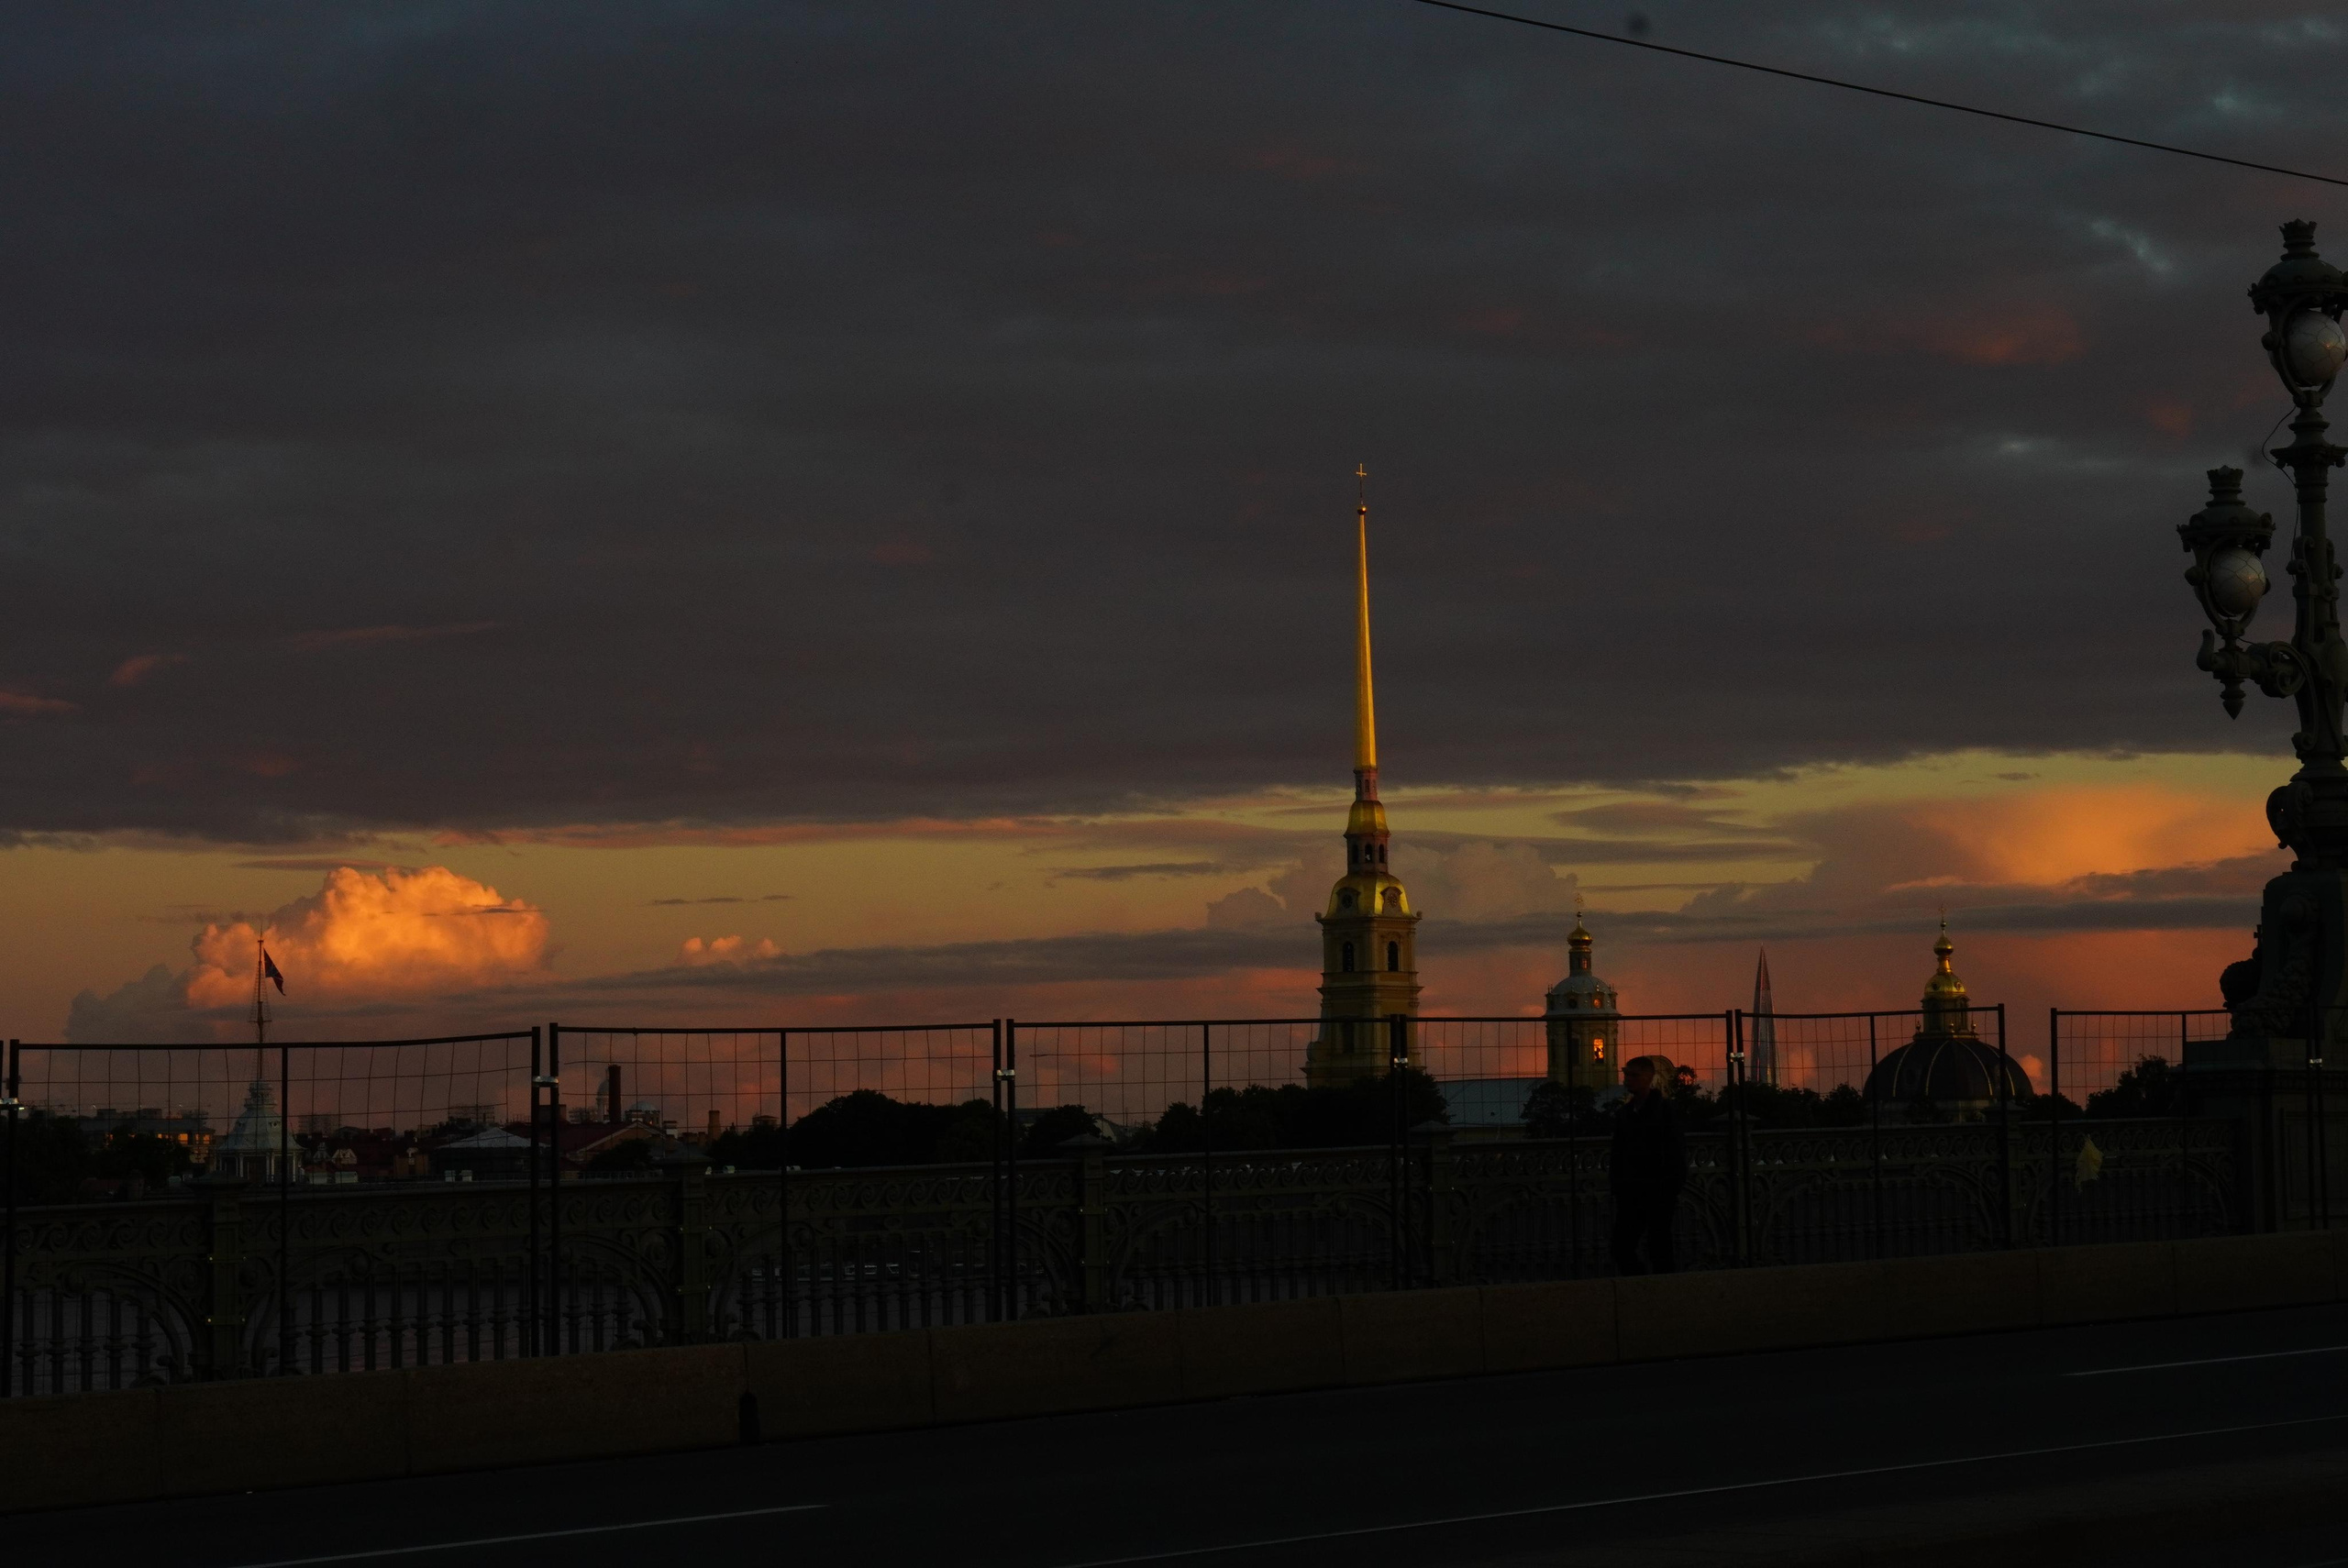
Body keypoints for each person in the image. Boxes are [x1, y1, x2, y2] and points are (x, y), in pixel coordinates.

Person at [1609, 1054, 1687, 1275]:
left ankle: (1656, 1288)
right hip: (1632, 1192)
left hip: (1658, 1190)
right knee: (1622, 1247)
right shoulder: (1625, 1114)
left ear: (1648, 1078)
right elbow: (1618, 1154)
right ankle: (1645, 1286)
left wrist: (1670, 1185)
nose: (1628, 1079)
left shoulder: (1664, 1111)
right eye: (1626, 1074)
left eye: (1634, 1075)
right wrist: (1619, 1185)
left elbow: (1676, 1151)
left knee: (1658, 1245)